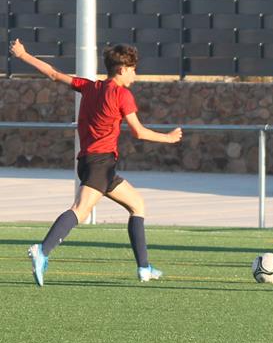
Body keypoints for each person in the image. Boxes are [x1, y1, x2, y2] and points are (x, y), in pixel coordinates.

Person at [10, 39, 182, 286]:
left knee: (137, 205)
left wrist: (24, 55)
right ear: (122, 69)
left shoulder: (90, 87)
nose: (135, 74)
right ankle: (43, 250)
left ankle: (144, 268)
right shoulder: (122, 95)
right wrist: (168, 138)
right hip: (100, 163)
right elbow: (139, 132)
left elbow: (53, 74)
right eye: (133, 69)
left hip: (96, 164)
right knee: (80, 210)